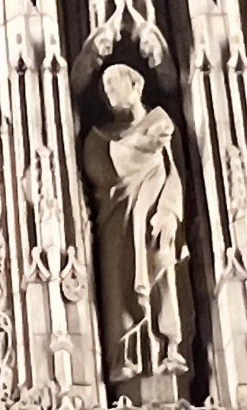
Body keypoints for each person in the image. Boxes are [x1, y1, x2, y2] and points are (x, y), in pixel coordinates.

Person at [81, 64, 186, 392]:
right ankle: (126, 355)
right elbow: (99, 174)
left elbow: (174, 174)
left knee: (162, 270)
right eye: (105, 87)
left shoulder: (160, 125)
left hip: (155, 219)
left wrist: (169, 211)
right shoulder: (100, 136)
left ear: (136, 82)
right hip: (116, 220)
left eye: (115, 84)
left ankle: (169, 349)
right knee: (117, 282)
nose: (110, 91)